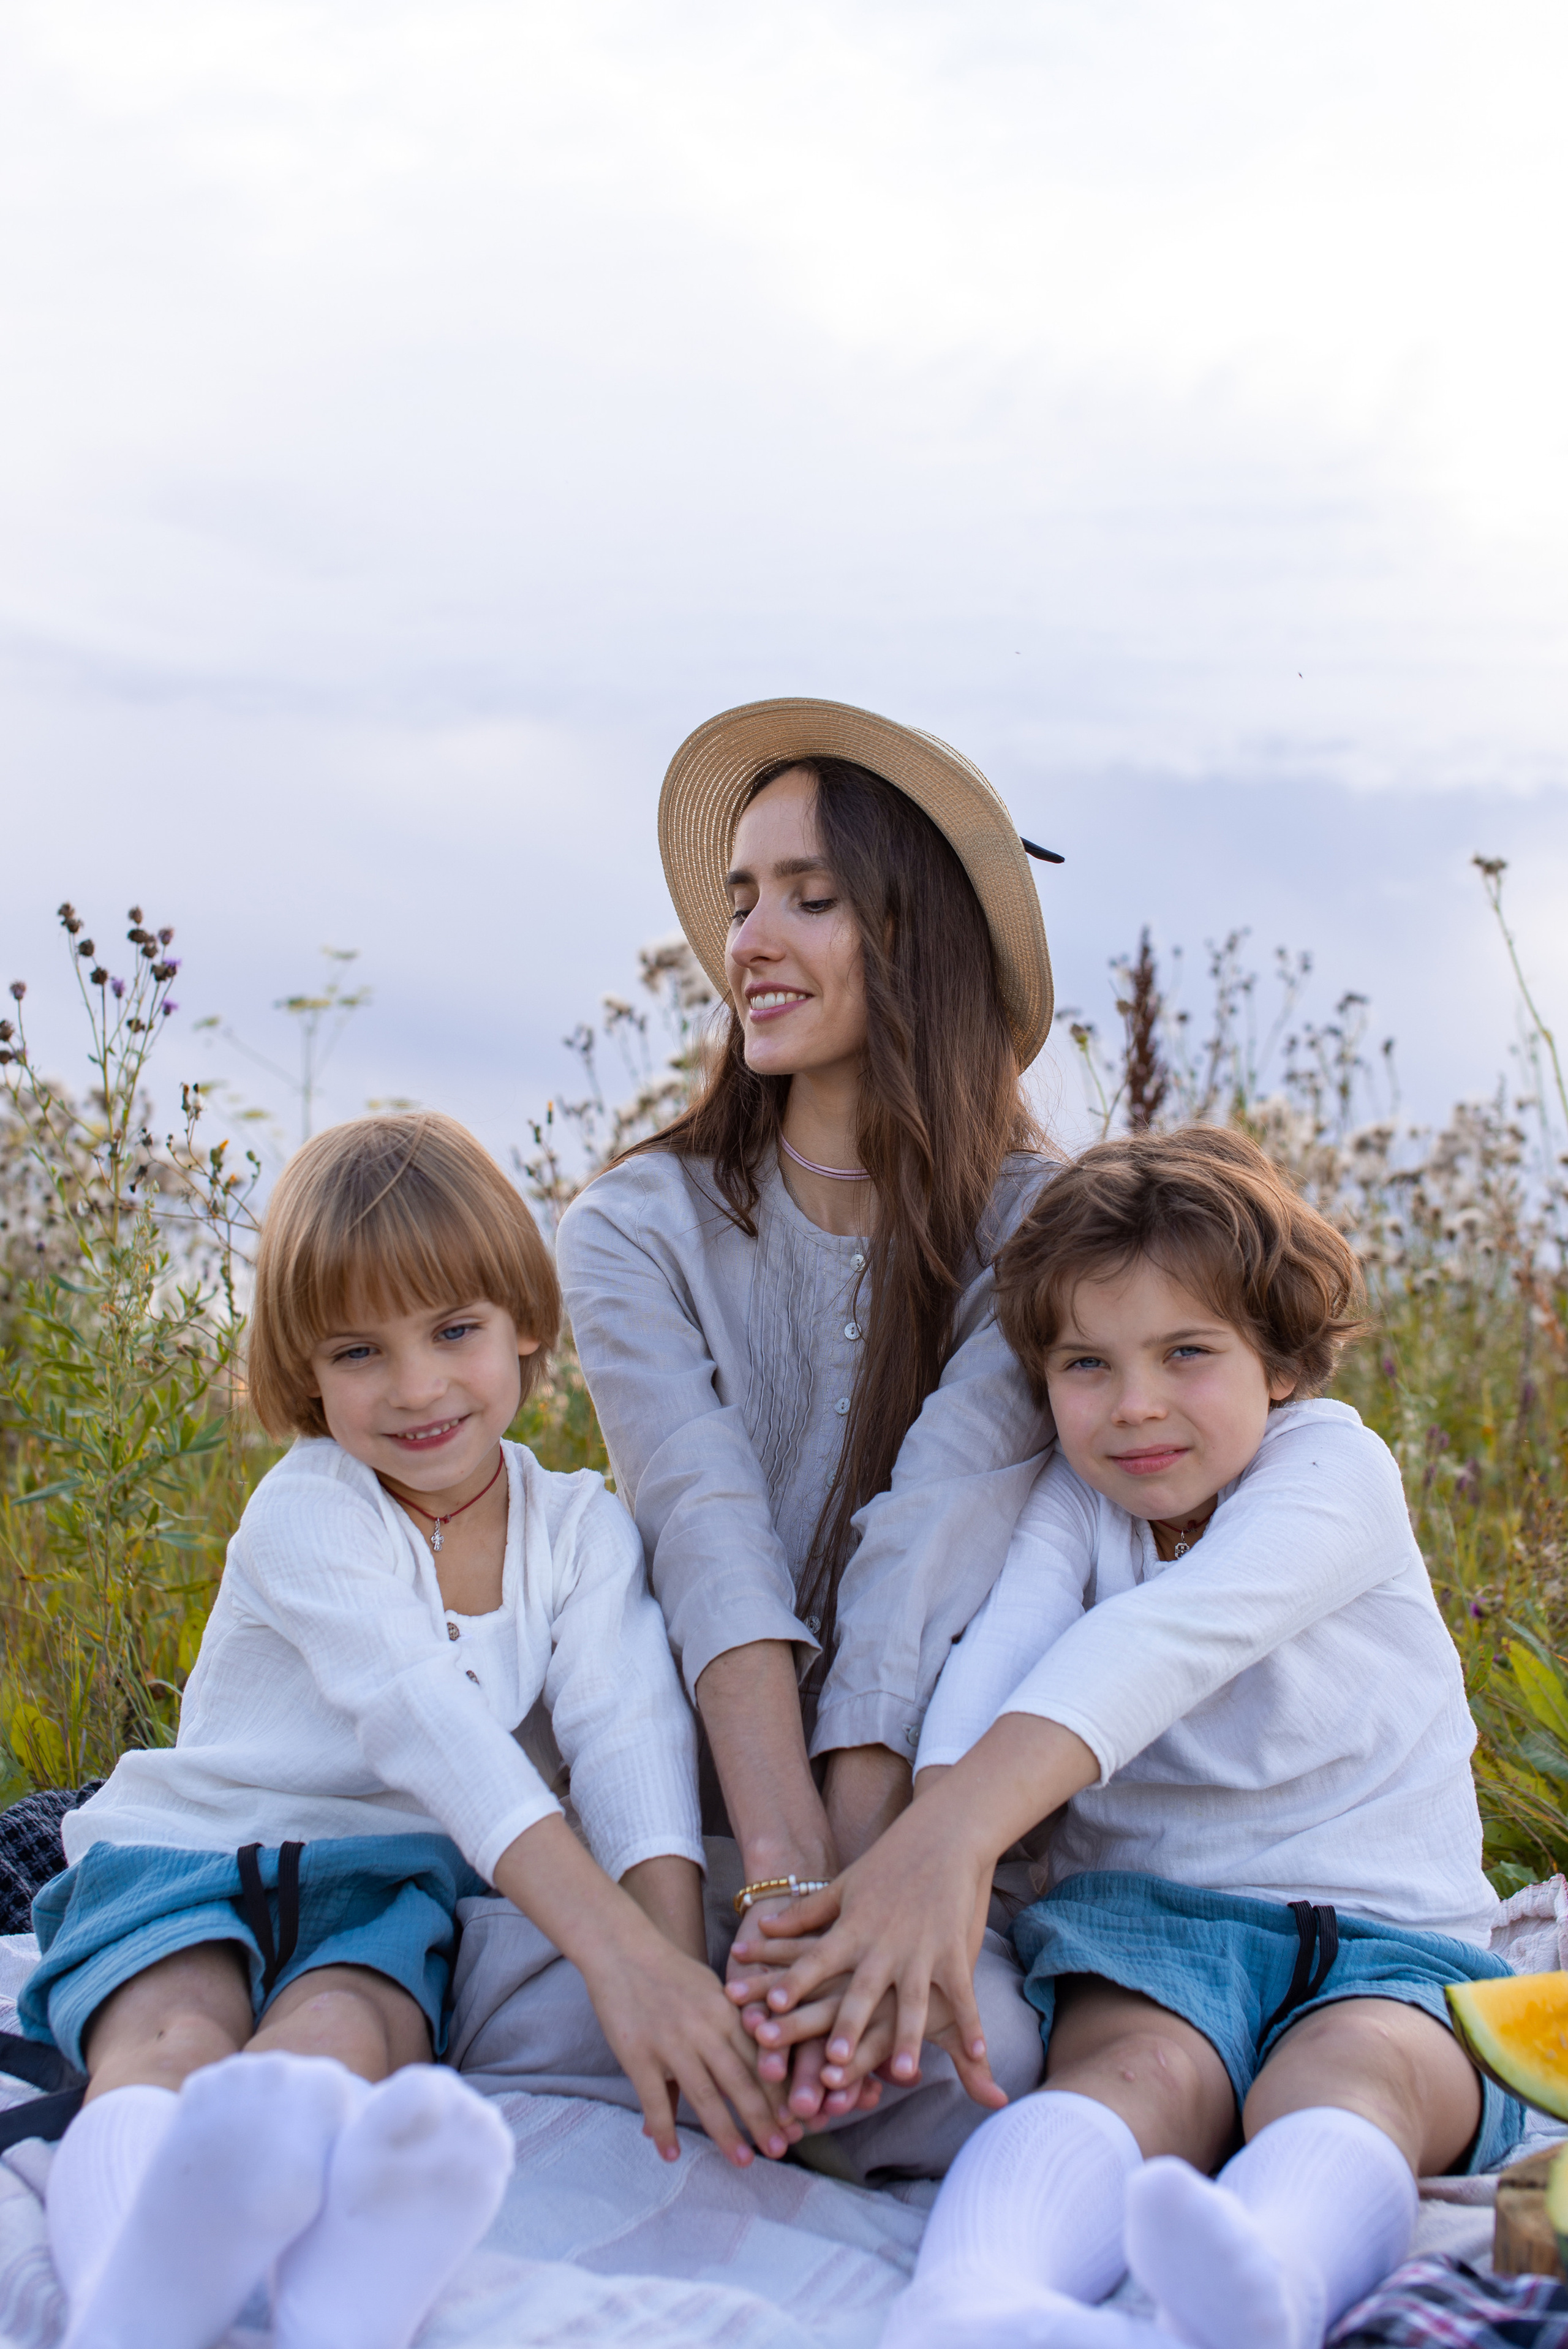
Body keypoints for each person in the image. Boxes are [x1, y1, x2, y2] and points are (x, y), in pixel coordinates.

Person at [737, 1125, 1518, 2345]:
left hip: (1389, 1932)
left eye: (1185, 1353)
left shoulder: (1331, 1471)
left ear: (1277, 1362)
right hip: (1157, 1931)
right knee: (1128, 2076)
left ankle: (1258, 2289)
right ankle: (973, 2299)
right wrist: (933, 1864)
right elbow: (993, 1672)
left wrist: (939, 1845)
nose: (1133, 1406)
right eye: (1084, 1366)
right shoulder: (1072, 1502)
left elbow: (1155, 1649)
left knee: (1348, 2083)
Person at [20, 1113, 791, 2349]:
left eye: (453, 1331)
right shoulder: (308, 1511)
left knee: (344, 2036)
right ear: (304, 1373)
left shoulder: (580, 1524)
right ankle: (127, 2304)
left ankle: (336, 2288)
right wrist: (610, 1958)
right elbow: (428, 1723)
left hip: (376, 1883)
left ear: (525, 1325)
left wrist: (670, 1974)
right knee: (173, 2032)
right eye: (360, 1351)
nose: (419, 1387)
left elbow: (628, 1735)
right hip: (187, 1854)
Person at [453, 697, 1060, 2177]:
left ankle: (776, 2052)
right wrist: (782, 1889)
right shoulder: (633, 1224)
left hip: (904, 1807)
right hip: (665, 1798)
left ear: (915, 934)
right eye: (740, 900)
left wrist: (851, 1904)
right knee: (509, 1990)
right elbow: (702, 1531)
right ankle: (705, 2037)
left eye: (811, 897)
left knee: (997, 2048)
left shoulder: (1036, 1226)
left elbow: (929, 1542)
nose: (751, 943)